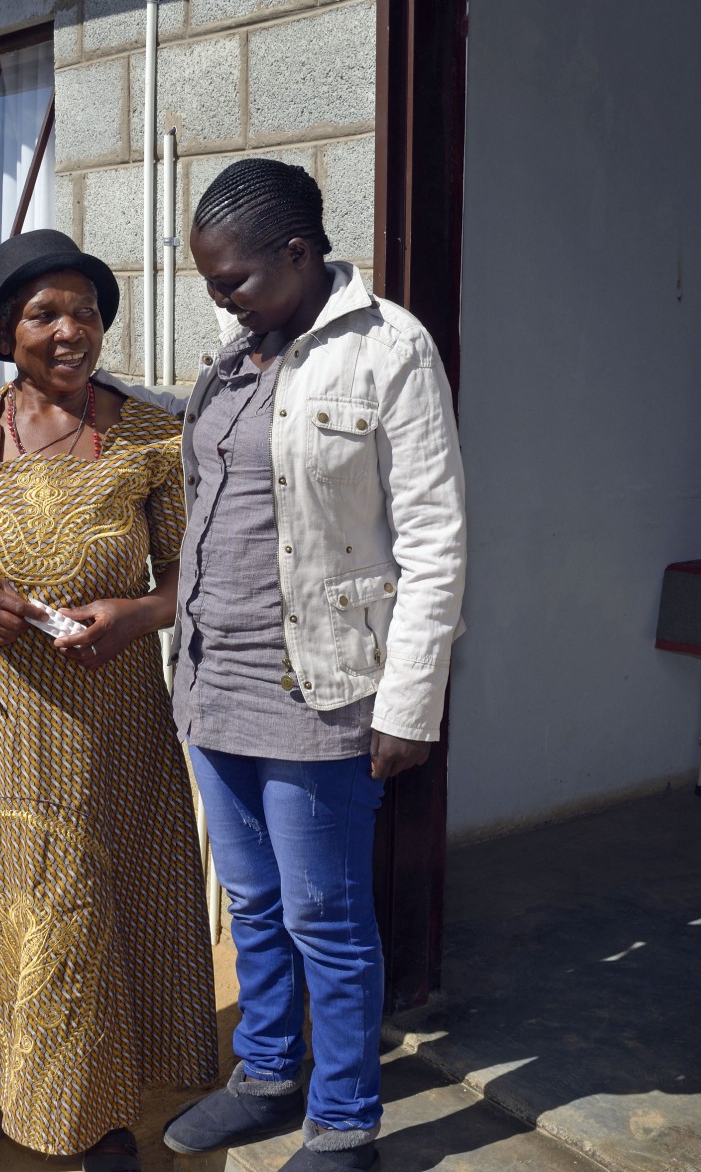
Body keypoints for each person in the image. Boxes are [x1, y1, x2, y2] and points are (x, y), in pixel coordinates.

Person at [0, 229, 217, 1172]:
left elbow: (195, 575)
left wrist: (140, 612)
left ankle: (99, 1108)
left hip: (111, 724)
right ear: (5, 330)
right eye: (45, 313)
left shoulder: (149, 435)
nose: (72, 331)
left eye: (87, 311)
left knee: (82, 902)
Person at [161, 160, 468, 1171]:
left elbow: (434, 540)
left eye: (234, 281)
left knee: (324, 917)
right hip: (213, 680)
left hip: (320, 688)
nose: (222, 301)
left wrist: (408, 707)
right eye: (213, 285)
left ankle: (343, 1123)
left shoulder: (389, 349)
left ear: (298, 254)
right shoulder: (234, 358)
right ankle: (265, 1074)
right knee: (249, 903)